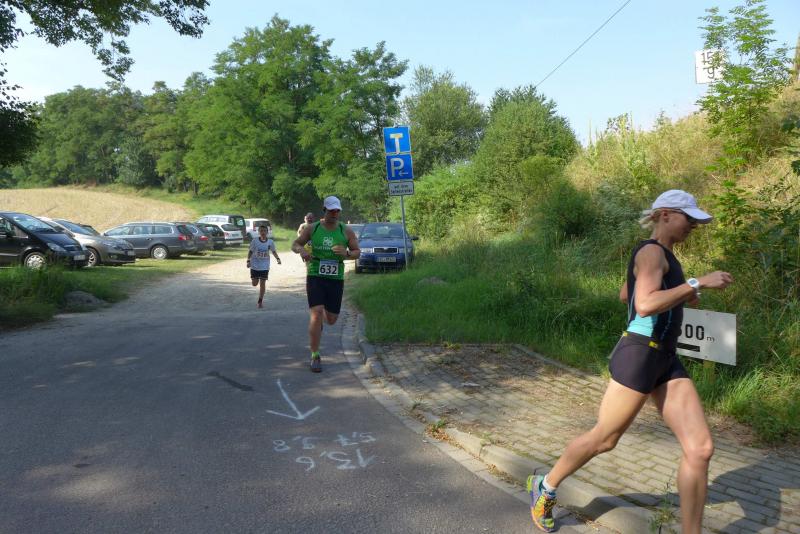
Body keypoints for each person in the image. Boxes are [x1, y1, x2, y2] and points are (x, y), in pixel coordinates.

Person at [527, 190, 733, 534]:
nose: (693, 226)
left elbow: (627, 293)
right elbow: (645, 305)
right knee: (605, 439)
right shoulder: (652, 252)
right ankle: (545, 486)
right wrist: (697, 283)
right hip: (640, 354)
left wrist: (680, 293)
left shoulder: (662, 255)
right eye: (689, 219)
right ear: (665, 214)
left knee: (700, 449)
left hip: (665, 357)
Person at [291, 196, 360, 372]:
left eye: (337, 210)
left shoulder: (346, 230)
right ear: (324, 210)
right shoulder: (312, 228)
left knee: (331, 319)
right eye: (331, 210)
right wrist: (302, 251)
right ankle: (315, 355)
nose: (334, 213)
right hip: (315, 275)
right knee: (316, 313)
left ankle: (322, 319)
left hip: (335, 278)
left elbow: (357, 252)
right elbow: (295, 244)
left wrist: (346, 253)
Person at [246, 224, 281, 308]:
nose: (263, 232)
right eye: (261, 231)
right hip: (255, 265)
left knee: (262, 283)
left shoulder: (270, 242)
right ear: (259, 232)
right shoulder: (254, 241)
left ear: (267, 232)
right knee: (254, 284)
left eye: (264, 231)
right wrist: (248, 260)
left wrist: (278, 258)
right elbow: (250, 251)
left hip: (264, 266)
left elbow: (273, 251)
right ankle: (256, 279)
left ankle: (260, 301)